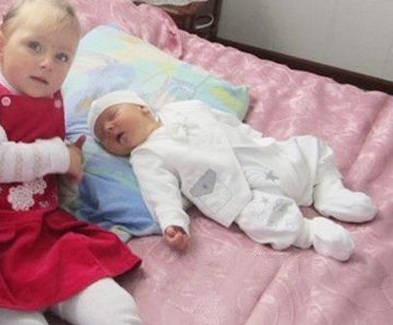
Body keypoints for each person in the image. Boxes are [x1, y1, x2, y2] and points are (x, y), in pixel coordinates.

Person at [0, 0, 142, 325]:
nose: (47, 63)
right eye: (34, 46)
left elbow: (42, 180)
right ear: (0, 44)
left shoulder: (52, 99)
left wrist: (67, 178)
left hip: (45, 232)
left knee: (114, 305)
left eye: (62, 56)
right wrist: (60, 155)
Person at [88, 90, 377, 262]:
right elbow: (159, 193)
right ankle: (311, 233)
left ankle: (328, 190)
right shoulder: (145, 155)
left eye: (112, 116)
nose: (109, 129)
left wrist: (257, 139)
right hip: (229, 188)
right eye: (104, 136)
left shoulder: (183, 108)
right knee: (258, 217)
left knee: (310, 149)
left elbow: (227, 121)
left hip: (255, 155)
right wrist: (173, 222)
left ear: (142, 107)